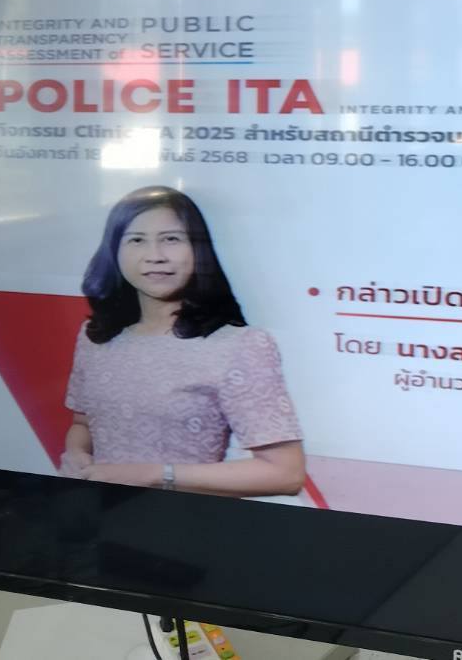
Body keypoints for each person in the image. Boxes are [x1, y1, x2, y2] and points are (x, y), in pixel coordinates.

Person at [60, 185, 306, 497]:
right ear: (114, 251)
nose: (155, 256)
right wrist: (76, 455)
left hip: (183, 521)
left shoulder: (239, 345)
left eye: (171, 239)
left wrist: (154, 475)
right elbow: (83, 424)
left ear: (198, 249)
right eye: (137, 240)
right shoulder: (96, 335)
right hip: (98, 517)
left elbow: (286, 474)